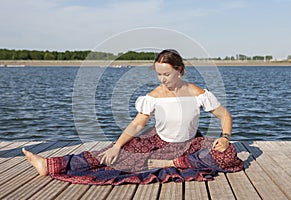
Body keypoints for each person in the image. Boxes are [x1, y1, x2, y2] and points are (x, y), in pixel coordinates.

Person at [23, 49, 243, 185]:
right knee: (107, 156)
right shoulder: (153, 97)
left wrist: (224, 137)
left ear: (180, 70)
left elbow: (224, 115)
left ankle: (173, 162)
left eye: (167, 74)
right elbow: (138, 123)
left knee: (229, 153)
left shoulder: (198, 93)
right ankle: (50, 164)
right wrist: (117, 146)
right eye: (158, 74)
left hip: (190, 144)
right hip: (157, 142)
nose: (162, 79)